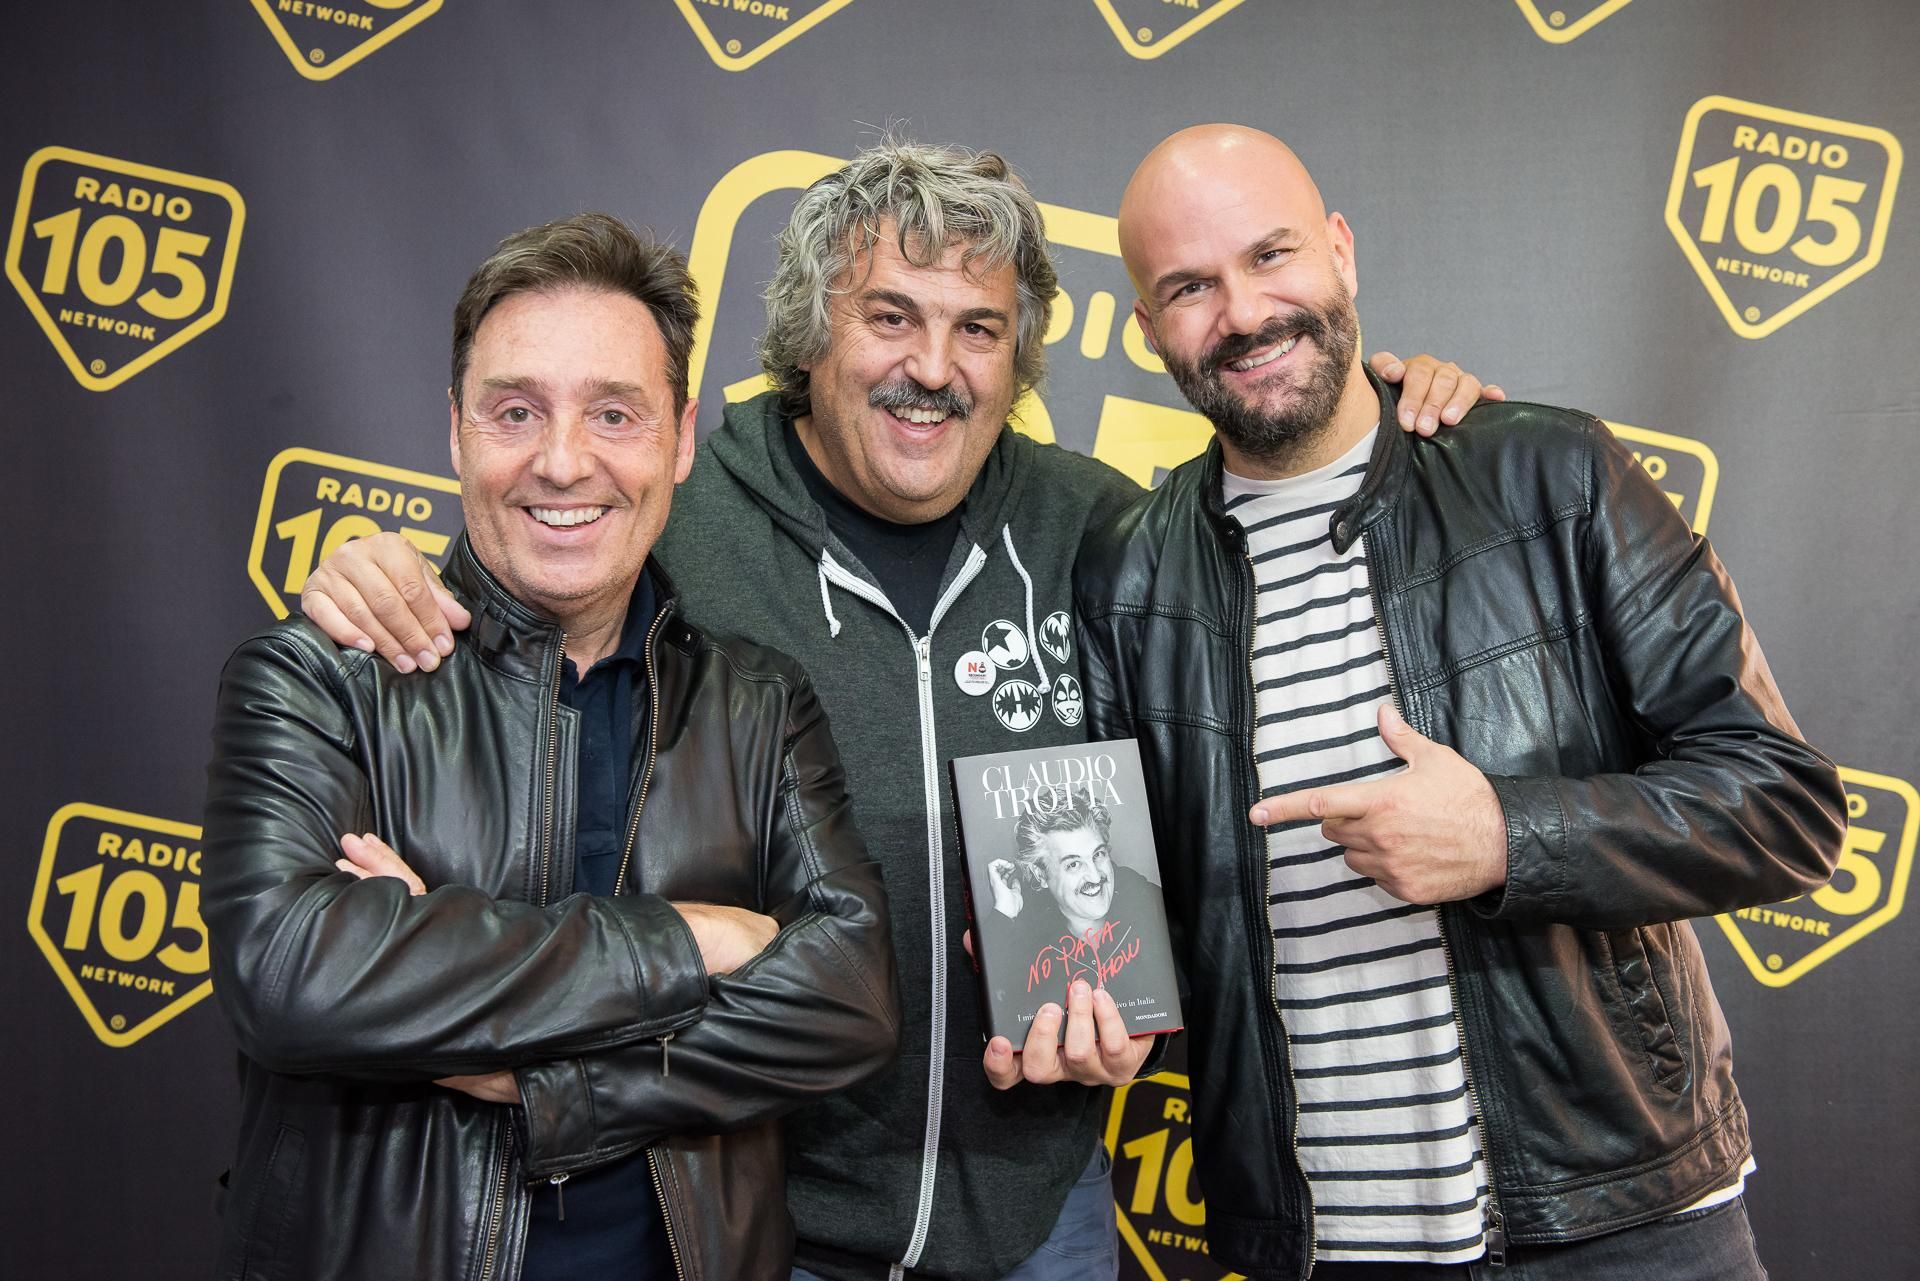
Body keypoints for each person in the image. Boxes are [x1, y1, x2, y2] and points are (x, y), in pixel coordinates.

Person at [293, 139, 1498, 1280]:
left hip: (1045, 1215)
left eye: (978, 328)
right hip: (763, 1211)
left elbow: (1199, 831)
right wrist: (383, 571)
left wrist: (1412, 416)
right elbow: (518, 602)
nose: (933, 367)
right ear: (810, 336)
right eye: (889, 318)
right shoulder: (676, 523)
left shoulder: (1101, 529)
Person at [1073, 124, 1847, 1281]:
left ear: (1340, 251)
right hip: (1322, 1249)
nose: (1243, 312)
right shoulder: (1126, 574)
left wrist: (1505, 838)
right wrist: (1092, 999)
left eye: (1272, 255)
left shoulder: (1552, 475)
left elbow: (1783, 805)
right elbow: (1133, 914)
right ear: (1147, 327)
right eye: (1190, 287)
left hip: (1620, 1225)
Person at [201, 213, 900, 1281]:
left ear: (679, 438)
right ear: (456, 433)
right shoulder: (318, 679)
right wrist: (691, 939)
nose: (564, 462)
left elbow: (848, 997)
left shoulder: (758, 706)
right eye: (516, 411)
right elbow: (289, 976)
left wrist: (537, 1076)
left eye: (614, 413)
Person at [986, 800, 1177, 1024]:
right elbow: (1001, 1011)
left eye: (1098, 854)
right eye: (1073, 864)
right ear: (1040, 875)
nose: (1095, 877)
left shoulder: (1150, 903)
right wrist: (1004, 914)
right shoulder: (1021, 936)